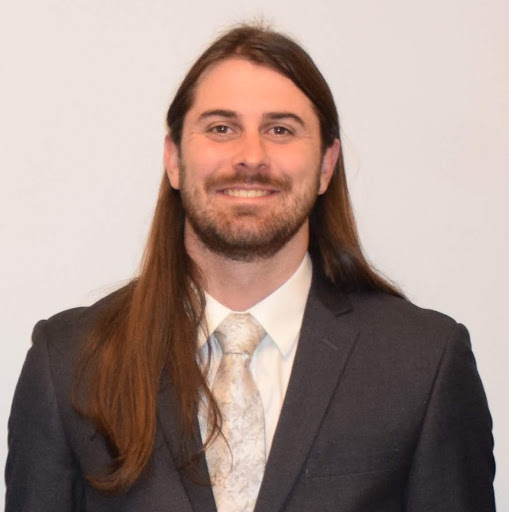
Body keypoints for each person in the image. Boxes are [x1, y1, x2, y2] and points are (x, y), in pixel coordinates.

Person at [5, 24, 495, 512]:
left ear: (326, 166)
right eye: (221, 128)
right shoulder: (69, 363)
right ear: (174, 158)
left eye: (281, 130)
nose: (251, 157)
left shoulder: (423, 364)